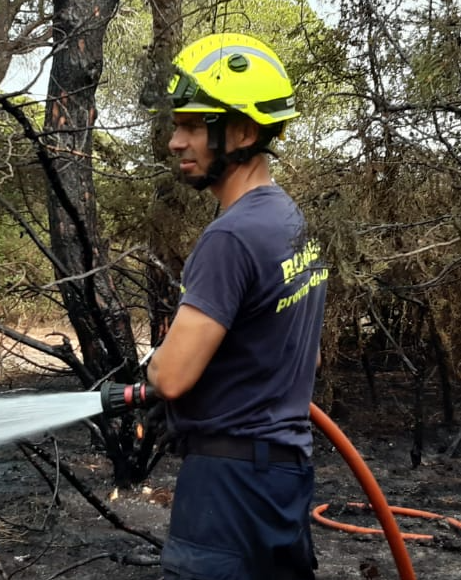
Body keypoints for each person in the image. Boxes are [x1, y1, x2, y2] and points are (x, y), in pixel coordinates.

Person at [145, 32, 328, 580]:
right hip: (283, 475)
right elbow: (306, 358)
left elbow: (172, 377)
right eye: (178, 125)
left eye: (194, 125)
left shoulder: (232, 237)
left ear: (243, 131)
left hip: (229, 485)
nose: (176, 141)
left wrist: (151, 367)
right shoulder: (292, 222)